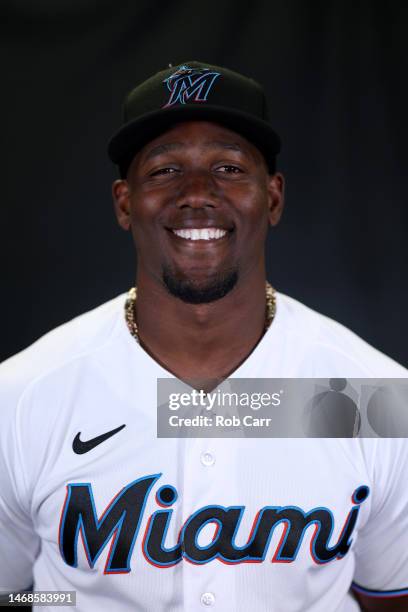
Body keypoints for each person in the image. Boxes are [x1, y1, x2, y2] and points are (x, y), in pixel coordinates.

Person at [0, 61, 407, 612]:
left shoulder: (373, 395)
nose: (197, 192)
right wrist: (64, 602)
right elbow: (11, 592)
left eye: (229, 168)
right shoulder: (22, 397)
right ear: (125, 202)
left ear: (274, 197)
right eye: (165, 170)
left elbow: (388, 596)